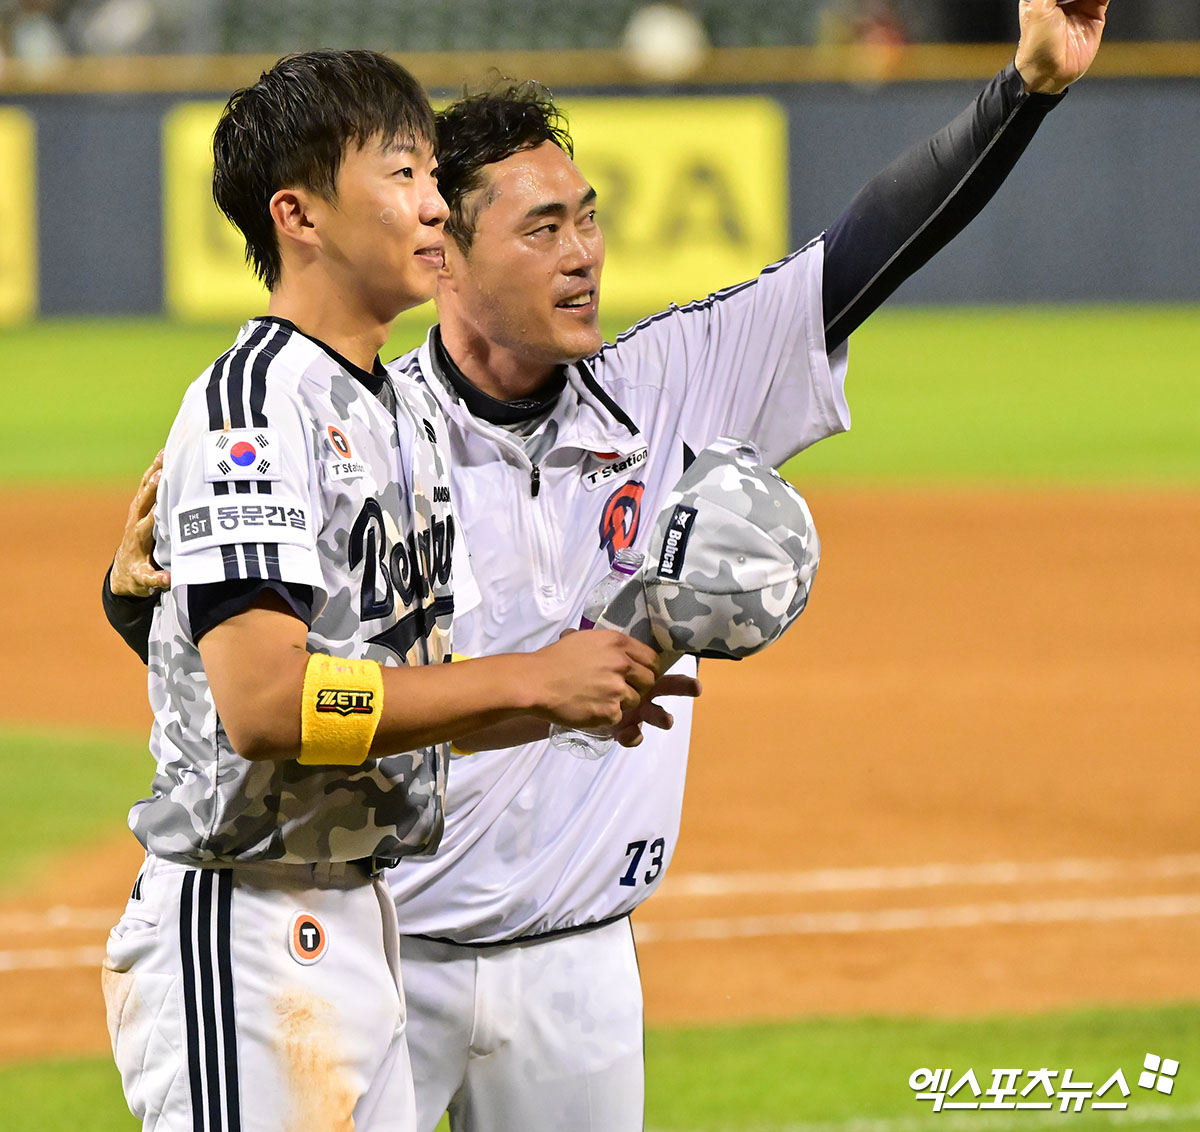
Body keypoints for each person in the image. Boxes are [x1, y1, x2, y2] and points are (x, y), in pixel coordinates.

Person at [105, 3, 1111, 1128]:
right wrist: (143, 600)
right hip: (376, 935)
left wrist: (1026, 86)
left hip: (572, 960)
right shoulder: (361, 424)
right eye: (541, 229)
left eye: (588, 218)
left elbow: (867, 246)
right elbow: (251, 684)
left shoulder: (668, 383)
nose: (584, 253)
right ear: (450, 253)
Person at [99, 48, 665, 1132]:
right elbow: (269, 705)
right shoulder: (254, 411)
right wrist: (529, 676)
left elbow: (392, 699)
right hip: (250, 933)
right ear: (299, 214)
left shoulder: (395, 415)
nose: (433, 207)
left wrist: (557, 699)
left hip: (356, 920)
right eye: (404, 174)